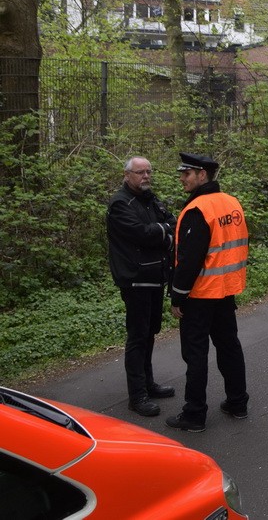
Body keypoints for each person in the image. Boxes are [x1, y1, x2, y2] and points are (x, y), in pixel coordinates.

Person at [166, 153, 250, 433]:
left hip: (200, 295)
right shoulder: (231, 202)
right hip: (226, 291)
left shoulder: (197, 210)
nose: (182, 179)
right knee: (229, 347)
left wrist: (177, 296)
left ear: (202, 175)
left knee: (195, 354)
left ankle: (194, 415)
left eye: (186, 174)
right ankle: (238, 403)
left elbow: (188, 260)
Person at [106, 156, 177, 418]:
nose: (146, 176)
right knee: (138, 335)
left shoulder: (151, 199)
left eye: (149, 171)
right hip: (135, 278)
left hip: (156, 275)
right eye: (140, 172)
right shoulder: (120, 204)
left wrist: (161, 231)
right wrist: (163, 233)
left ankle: (148, 383)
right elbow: (141, 234)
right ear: (126, 175)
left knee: (150, 332)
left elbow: (173, 222)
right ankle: (137, 396)